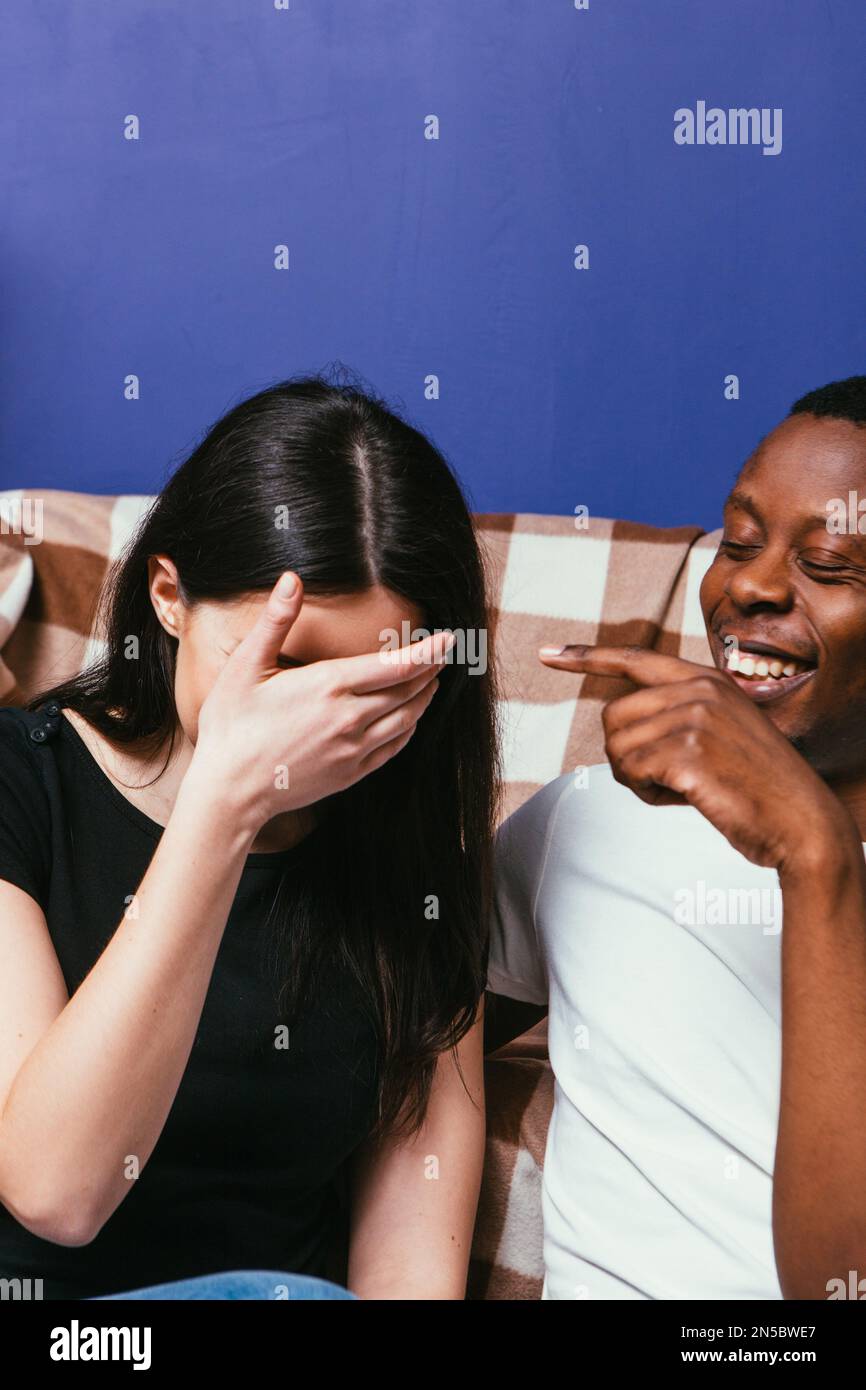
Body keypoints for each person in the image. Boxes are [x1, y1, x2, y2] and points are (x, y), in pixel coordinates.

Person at [0, 370, 498, 1300]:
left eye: (372, 685)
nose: (320, 718)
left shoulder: (416, 871)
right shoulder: (22, 785)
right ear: (170, 598)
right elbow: (56, 1192)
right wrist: (225, 804)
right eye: (286, 664)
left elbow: (410, 1269)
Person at [486, 374, 866, 1301]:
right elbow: (383, 1043)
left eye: (827, 565)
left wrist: (818, 857)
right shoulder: (592, 820)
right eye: (737, 541)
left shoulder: (824, 863)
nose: (753, 584)